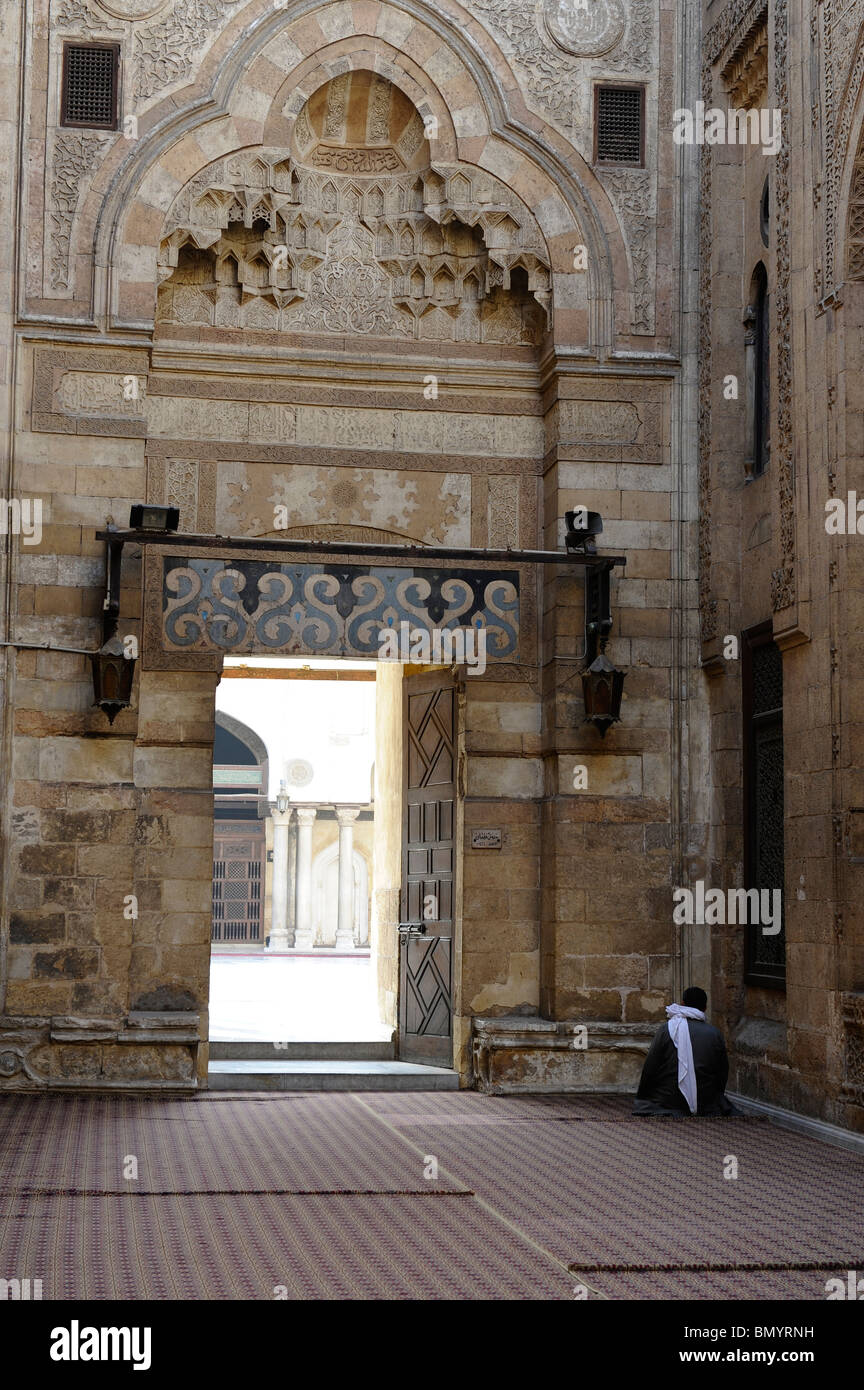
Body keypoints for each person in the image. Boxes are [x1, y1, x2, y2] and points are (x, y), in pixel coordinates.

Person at [632, 987, 739, 1117]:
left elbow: (651, 1066)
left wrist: (643, 1095)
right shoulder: (715, 1033)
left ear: (682, 1003)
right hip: (705, 1100)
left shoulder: (667, 1029)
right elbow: (722, 1071)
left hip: (670, 1098)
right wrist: (715, 1095)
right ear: (705, 1008)